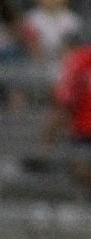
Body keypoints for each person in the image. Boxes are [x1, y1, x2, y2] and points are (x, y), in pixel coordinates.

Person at [43, 30, 91, 192]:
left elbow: (63, 105)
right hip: (83, 129)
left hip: (85, 131)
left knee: (81, 171)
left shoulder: (76, 61)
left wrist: (47, 140)